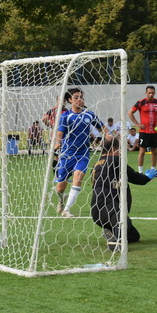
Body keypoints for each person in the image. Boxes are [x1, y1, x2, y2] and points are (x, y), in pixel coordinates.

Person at [90, 136, 157, 248]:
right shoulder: (116, 160)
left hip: (97, 211)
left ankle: (110, 231)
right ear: (113, 149)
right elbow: (136, 178)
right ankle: (116, 243)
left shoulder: (96, 164)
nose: (122, 152)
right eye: (120, 149)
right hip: (109, 206)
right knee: (123, 221)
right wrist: (147, 177)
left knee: (134, 236)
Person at [53, 88, 104, 217]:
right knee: (60, 187)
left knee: (78, 177)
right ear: (70, 100)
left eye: (81, 97)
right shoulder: (66, 116)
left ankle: (66, 210)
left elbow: (102, 126)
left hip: (83, 153)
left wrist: (110, 137)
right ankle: (61, 199)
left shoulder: (89, 115)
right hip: (67, 154)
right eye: (76, 97)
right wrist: (58, 142)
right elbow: (60, 132)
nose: (79, 99)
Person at [128, 85, 157, 174]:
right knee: (142, 151)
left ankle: (153, 171)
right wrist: (137, 124)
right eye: (149, 93)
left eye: (152, 93)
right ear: (146, 93)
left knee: (154, 151)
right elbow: (130, 113)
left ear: (155, 93)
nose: (151, 94)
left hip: (154, 131)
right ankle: (140, 172)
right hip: (144, 132)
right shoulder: (141, 102)